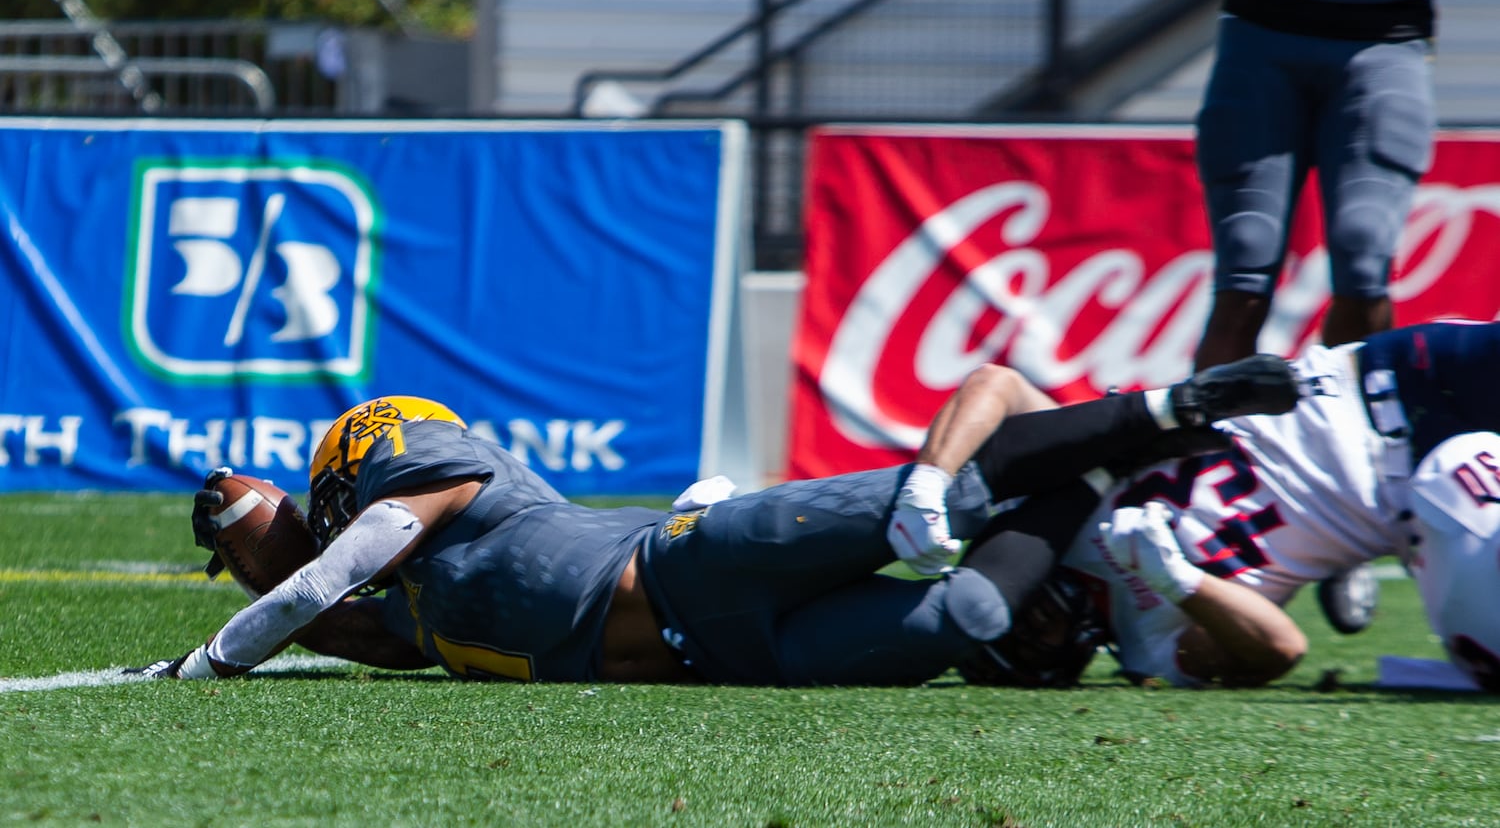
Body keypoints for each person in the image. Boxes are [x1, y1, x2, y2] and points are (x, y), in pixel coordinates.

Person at [128, 354, 1300, 686]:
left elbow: (317, 585)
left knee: (934, 502)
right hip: (729, 657)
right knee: (970, 614)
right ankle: (1102, 481)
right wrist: (234, 520)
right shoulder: (425, 620)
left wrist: (205, 661)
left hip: (685, 565)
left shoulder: (436, 493)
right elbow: (327, 615)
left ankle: (1163, 410)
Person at [959, 0, 1500, 371]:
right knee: (1243, 274)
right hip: (1264, 38)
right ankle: (1212, 450)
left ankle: (1343, 444)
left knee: (1363, 264)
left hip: (1380, 48)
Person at [965, 319, 1500, 691]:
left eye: (1012, 626)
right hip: (1422, 503)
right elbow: (1279, 649)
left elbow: (1000, 387)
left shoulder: (1051, 503)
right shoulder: (1148, 648)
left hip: (1374, 383)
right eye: (1027, 645)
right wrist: (1176, 579)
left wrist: (924, 488)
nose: (1029, 622)